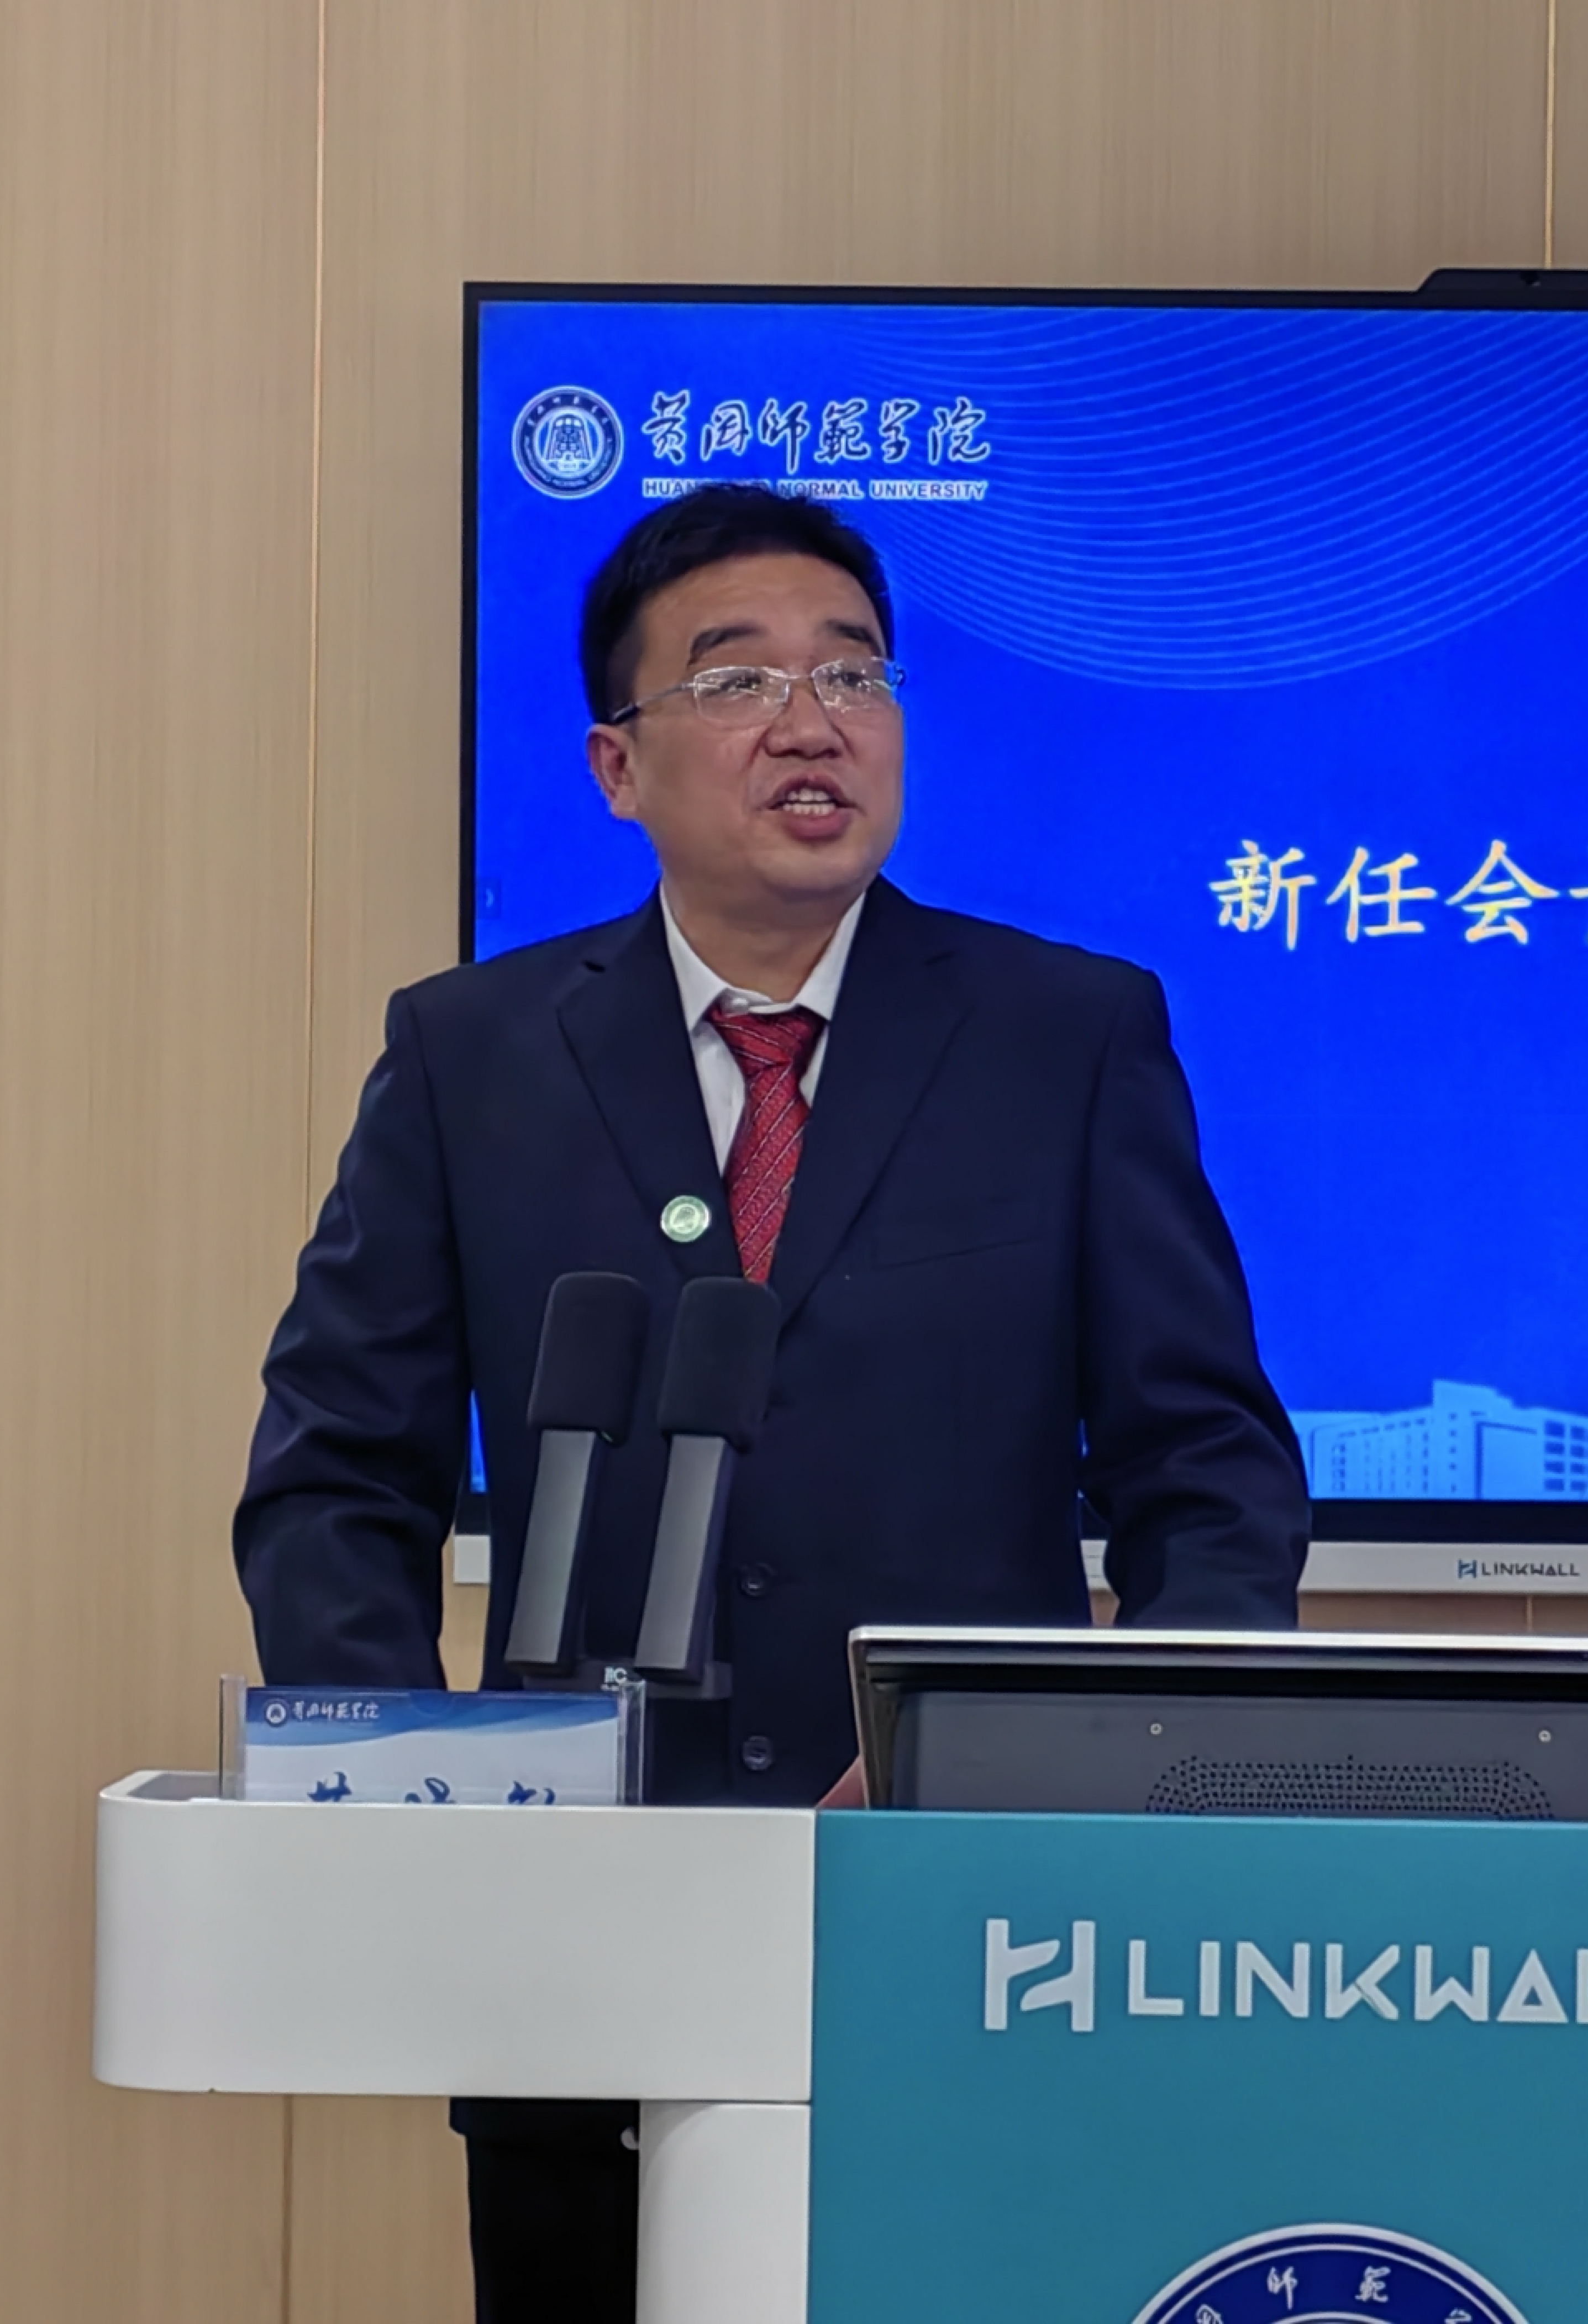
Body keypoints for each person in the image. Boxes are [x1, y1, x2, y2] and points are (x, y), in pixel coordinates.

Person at [235, 483, 1309, 2323]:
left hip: (983, 1922)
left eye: (855, 674)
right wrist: (426, 1800)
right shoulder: (471, 1055)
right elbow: (338, 1469)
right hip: (579, 1931)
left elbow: (1207, 1467)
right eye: (738, 682)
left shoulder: (1065, 1036)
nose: (815, 722)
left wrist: (1094, 1767)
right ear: (617, 764)